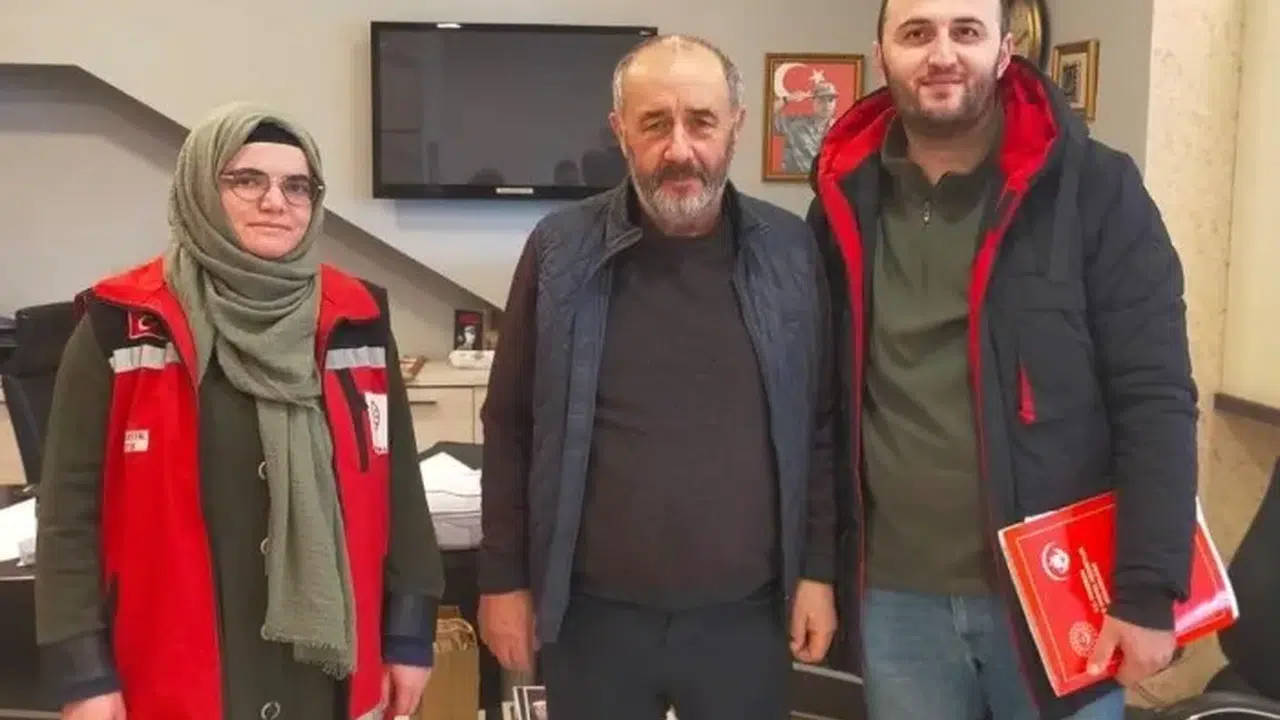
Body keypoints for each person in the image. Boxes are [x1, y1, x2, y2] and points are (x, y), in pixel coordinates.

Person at [806, 1, 1199, 719]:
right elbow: (823, 406)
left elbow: (1155, 396)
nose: (941, 54)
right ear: (881, 53)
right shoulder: (842, 197)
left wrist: (1149, 588)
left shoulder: (1096, 189)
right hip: (895, 599)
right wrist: (816, 568)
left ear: (1005, 48)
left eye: (966, 31)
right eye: (916, 33)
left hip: (1059, 593)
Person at [34, 103, 445, 720]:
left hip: (328, 670)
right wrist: (83, 676)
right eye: (247, 180)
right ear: (201, 188)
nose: (275, 202)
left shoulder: (356, 317)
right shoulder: (120, 324)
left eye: (297, 186)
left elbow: (401, 493)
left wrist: (410, 634)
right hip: (174, 665)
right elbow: (69, 517)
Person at [478, 34, 838, 720]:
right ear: (620, 132)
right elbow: (510, 424)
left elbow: (819, 424)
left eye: (701, 122)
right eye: (654, 124)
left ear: (735, 126)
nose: (679, 149)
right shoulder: (559, 250)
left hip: (747, 619)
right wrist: (503, 580)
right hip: (594, 621)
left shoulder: (790, 251)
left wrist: (818, 571)